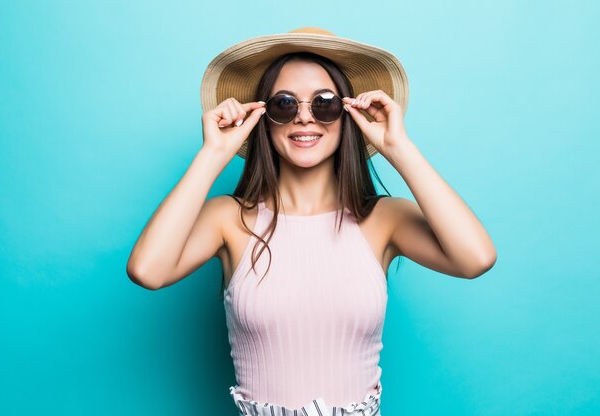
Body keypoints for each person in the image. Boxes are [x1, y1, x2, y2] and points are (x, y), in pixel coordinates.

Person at [126, 27, 497, 416]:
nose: (304, 117)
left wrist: (397, 148)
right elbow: (148, 271)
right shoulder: (229, 219)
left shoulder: (383, 219)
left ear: (348, 113)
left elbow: (475, 258)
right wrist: (213, 154)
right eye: (285, 104)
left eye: (324, 104)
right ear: (263, 116)